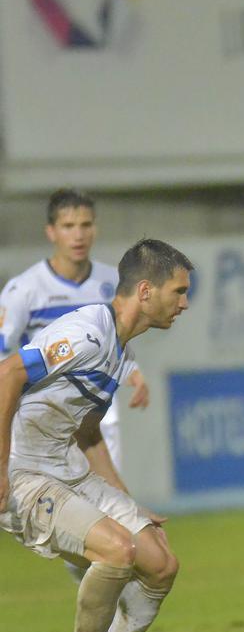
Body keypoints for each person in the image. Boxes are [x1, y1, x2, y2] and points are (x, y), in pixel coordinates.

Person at [0, 239, 192, 632]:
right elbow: (7, 374)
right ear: (146, 291)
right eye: (179, 291)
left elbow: (87, 434)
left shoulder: (118, 349)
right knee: (117, 550)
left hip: (69, 468)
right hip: (26, 472)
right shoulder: (87, 333)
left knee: (160, 561)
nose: (185, 302)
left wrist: (126, 501)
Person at [0, 189, 150, 471]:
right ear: (51, 232)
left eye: (85, 225)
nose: (78, 235)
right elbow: (3, 352)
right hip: (42, 411)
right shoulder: (25, 289)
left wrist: (133, 372)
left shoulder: (113, 282)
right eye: (68, 226)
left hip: (97, 408)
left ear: (95, 228)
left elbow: (118, 337)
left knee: (108, 497)